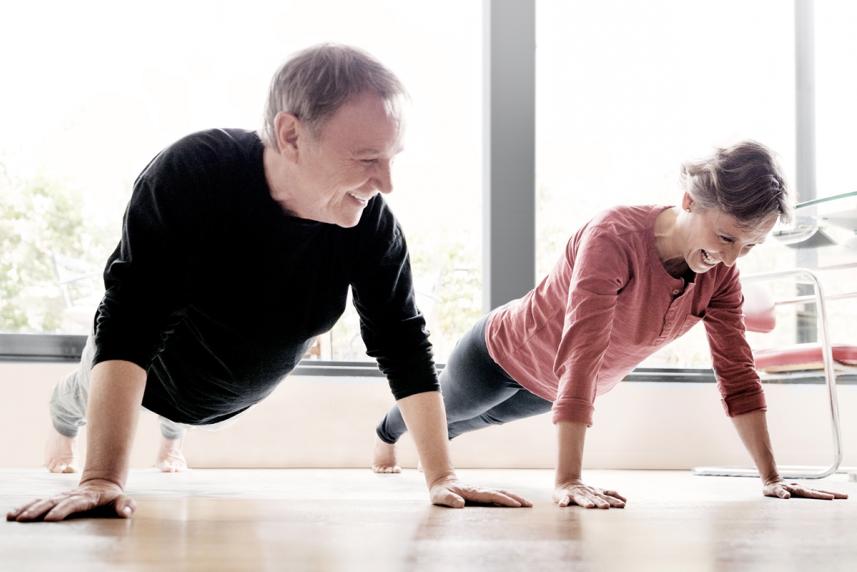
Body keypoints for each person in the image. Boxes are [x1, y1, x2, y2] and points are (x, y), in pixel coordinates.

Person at [7, 44, 530, 523]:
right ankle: (65, 420)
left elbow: (403, 343)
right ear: (291, 135)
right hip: (150, 371)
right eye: (367, 159)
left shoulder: (369, 223)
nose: (385, 184)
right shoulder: (194, 174)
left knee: (183, 418)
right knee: (80, 391)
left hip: (225, 390)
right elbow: (131, 320)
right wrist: (101, 480)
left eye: (391, 159)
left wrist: (443, 477)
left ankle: (170, 432)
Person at [373, 141, 848, 508]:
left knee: (459, 429)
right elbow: (583, 349)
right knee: (449, 410)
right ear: (689, 201)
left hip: (549, 390)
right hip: (500, 355)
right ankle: (385, 433)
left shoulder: (721, 277)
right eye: (725, 236)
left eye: (747, 246)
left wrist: (771, 477)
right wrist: (568, 480)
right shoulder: (614, 236)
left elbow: (738, 374)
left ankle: (424, 439)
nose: (729, 257)